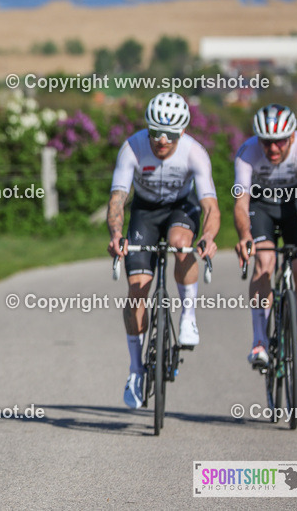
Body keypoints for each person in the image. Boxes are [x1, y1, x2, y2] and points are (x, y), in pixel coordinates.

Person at [107, 92, 220, 410]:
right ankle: (135, 370)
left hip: (181, 208)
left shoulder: (194, 153)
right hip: (144, 212)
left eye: (169, 135)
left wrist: (208, 236)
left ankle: (188, 318)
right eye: (155, 132)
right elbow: (117, 200)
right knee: (137, 290)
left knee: (181, 243)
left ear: (182, 131)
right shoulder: (132, 148)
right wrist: (116, 235)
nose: (161, 140)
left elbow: (210, 206)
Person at [234, 104, 297, 380]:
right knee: (264, 262)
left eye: (280, 142)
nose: (272, 149)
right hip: (261, 206)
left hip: (294, 203)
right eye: (266, 142)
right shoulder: (247, 153)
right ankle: (259, 340)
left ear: (292, 137)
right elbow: (241, 203)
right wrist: (245, 236)